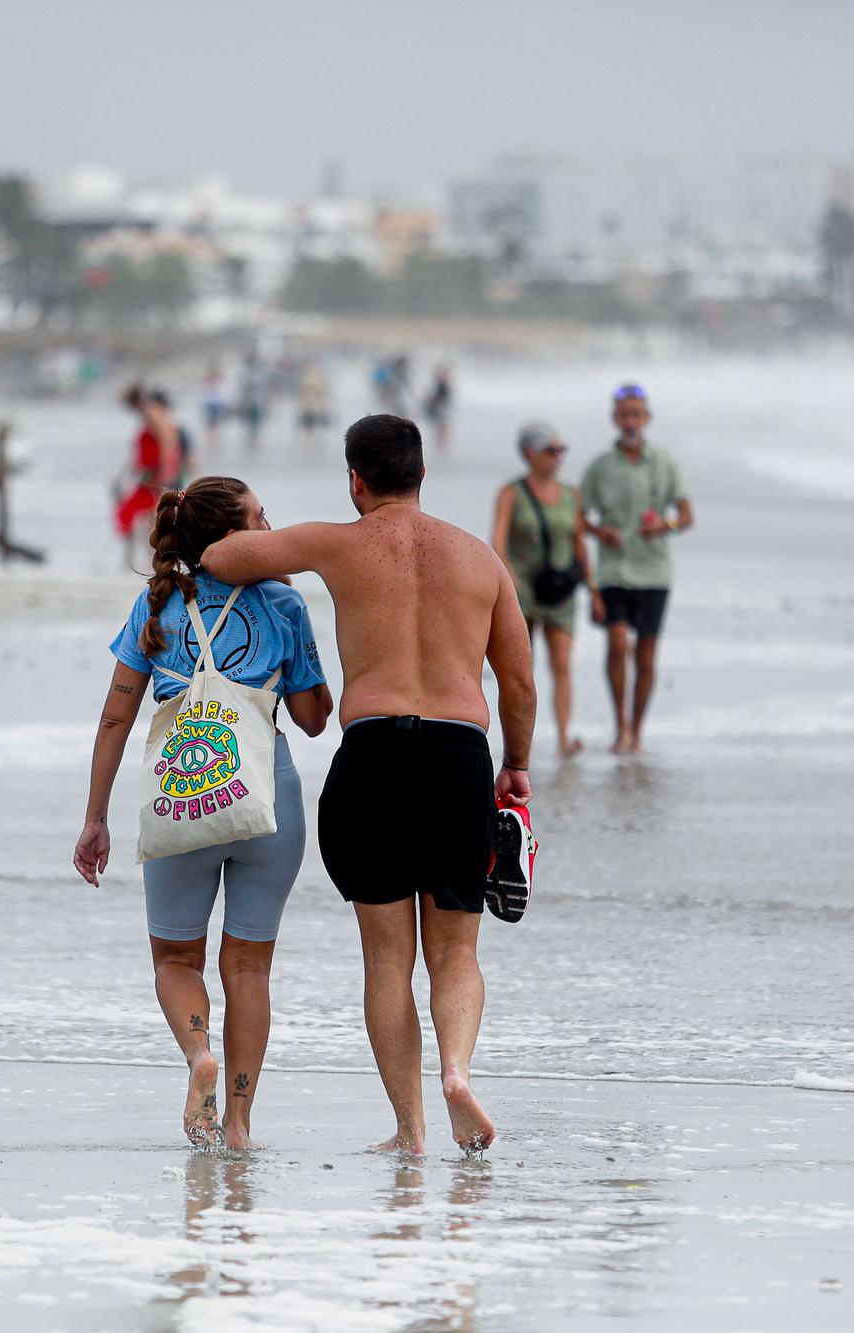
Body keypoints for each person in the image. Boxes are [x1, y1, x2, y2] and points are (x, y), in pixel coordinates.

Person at [201, 415, 537, 1156]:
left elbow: (222, 558)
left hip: (373, 755)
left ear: (356, 479)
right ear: (422, 473)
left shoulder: (336, 542)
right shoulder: (480, 559)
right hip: (457, 757)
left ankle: (410, 1132)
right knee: (457, 952)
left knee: (387, 957)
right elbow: (517, 678)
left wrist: (258, 530)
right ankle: (455, 1073)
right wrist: (515, 761)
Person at [73, 477, 334, 1150]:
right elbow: (311, 719)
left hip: (180, 793)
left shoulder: (154, 603)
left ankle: (199, 1057)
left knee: (175, 958)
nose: (271, 527)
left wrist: (95, 816)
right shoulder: (282, 602)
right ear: (232, 535)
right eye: (259, 518)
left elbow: (115, 716)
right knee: (249, 967)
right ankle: (240, 1125)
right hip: (264, 792)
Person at [579, 383, 693, 754]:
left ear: (647, 418)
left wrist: (665, 525)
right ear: (615, 419)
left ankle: (638, 730)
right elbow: (578, 518)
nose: (630, 421)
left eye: (636, 414)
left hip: (654, 571)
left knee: (645, 654)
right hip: (613, 571)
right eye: (624, 414)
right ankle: (621, 726)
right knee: (615, 644)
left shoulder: (665, 463)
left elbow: (686, 515)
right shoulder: (600, 467)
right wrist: (600, 531)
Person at [492, 422, 601, 757]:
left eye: (560, 450)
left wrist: (593, 590)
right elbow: (497, 540)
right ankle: (520, 740)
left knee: (562, 663)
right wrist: (509, 579)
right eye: (549, 451)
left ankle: (564, 737)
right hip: (523, 591)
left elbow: (579, 543)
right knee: (522, 669)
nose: (557, 457)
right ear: (529, 454)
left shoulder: (571, 496)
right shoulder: (513, 493)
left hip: (562, 593)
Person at [115, 384, 183, 565]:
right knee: (148, 516)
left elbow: (167, 439)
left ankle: (147, 559)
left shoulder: (150, 411)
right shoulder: (151, 413)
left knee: (143, 514)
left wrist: (165, 469)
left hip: (154, 474)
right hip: (150, 473)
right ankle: (147, 558)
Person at [296, 360, 330, 448]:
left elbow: (322, 393)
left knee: (315, 424)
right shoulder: (307, 379)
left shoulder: (316, 379)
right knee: (309, 425)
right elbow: (301, 393)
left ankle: (314, 441)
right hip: (309, 406)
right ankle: (310, 442)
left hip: (315, 406)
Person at [423, 364, 454, 452]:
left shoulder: (443, 385)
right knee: (441, 428)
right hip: (440, 409)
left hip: (443, 409)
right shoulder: (439, 384)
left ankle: (441, 446)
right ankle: (440, 447)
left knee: (442, 428)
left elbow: (441, 397)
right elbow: (435, 397)